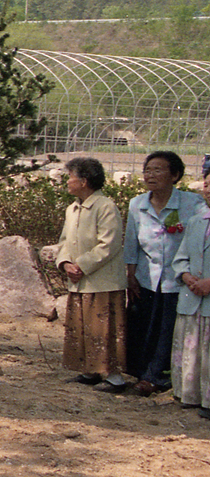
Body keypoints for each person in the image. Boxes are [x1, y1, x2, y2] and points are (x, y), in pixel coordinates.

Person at [122, 150, 204, 395]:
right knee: (142, 325)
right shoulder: (138, 204)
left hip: (179, 279)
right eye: (148, 170)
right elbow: (131, 243)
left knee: (168, 328)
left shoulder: (192, 203)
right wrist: (131, 274)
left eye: (158, 170)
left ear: (175, 175)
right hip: (147, 276)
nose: (151, 175)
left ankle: (156, 377)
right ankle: (140, 372)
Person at [56, 156, 129, 388]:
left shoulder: (105, 206)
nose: (67, 181)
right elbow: (64, 241)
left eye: (71, 177)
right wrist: (66, 263)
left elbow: (109, 243)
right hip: (79, 281)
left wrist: (82, 266)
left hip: (101, 281)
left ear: (84, 181)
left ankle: (114, 377)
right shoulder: (72, 209)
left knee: (104, 329)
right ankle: (89, 371)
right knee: (82, 325)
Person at [169, 200, 210, 420]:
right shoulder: (195, 222)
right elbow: (181, 257)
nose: (209, 189)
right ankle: (189, 395)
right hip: (192, 296)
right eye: (207, 184)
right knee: (192, 349)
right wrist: (186, 276)